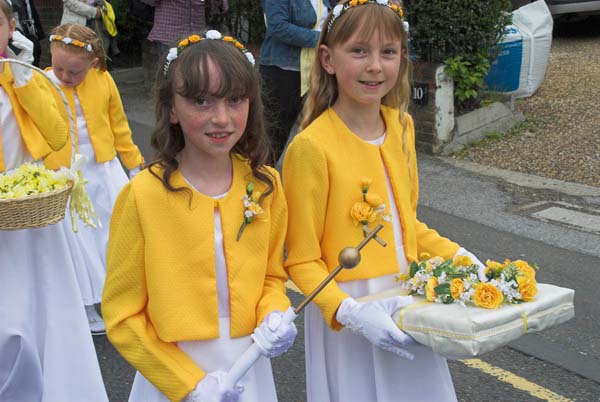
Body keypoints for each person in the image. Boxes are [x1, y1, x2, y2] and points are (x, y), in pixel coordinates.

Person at [282, 2, 486, 401]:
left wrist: (462, 257)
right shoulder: (311, 147)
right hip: (350, 314)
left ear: (401, 59)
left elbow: (407, 224)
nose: (375, 66)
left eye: (388, 51)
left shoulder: (402, 126)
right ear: (328, 58)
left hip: (409, 301)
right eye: (359, 51)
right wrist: (348, 313)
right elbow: (301, 261)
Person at [102, 30, 298, 402]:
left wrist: (275, 312)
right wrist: (188, 384)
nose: (222, 118)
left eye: (236, 99)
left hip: (248, 363)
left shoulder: (266, 184)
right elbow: (122, 317)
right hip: (173, 373)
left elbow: (272, 276)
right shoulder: (143, 194)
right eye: (202, 101)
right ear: (172, 109)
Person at [0, 2, 108, 401]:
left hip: (27, 215)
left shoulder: (23, 78)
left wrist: (23, 78)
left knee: (39, 316)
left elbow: (57, 134)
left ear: (11, 27)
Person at [44, 23, 144, 335]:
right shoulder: (40, 81)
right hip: (62, 171)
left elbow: (118, 124)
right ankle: (84, 303)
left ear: (94, 63)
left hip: (101, 167)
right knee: (75, 238)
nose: (65, 76)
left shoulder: (103, 79)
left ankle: (117, 296)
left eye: (75, 71)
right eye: (59, 67)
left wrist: (133, 162)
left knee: (115, 232)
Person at [259, 0, 332, 165]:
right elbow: (278, 26)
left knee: (314, 129)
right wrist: (322, 38)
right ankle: (260, 179)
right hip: (283, 72)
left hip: (316, 71)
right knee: (274, 135)